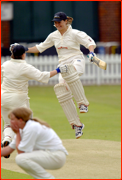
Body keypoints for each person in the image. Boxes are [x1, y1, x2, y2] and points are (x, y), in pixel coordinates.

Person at [10, 11, 96, 139]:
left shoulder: (75, 33)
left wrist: (91, 52)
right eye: (55, 22)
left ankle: (82, 103)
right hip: (63, 65)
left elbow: (90, 42)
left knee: (72, 73)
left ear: (66, 21)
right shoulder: (53, 36)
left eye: (59, 22)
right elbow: (40, 48)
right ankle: (77, 125)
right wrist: (23, 49)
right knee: (61, 91)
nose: (57, 24)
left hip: (76, 60)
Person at [1, 44, 68, 153]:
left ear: (12, 54)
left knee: (8, 123)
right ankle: (27, 147)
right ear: (24, 54)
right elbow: (42, 76)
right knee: (27, 123)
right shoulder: (25, 67)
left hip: (3, 98)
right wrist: (58, 70)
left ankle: (7, 139)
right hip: (18, 99)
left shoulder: (5, 64)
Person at [1, 107, 68, 179]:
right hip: (50, 155)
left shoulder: (31, 127)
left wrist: (17, 133)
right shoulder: (22, 129)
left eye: (12, 119)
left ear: (20, 120)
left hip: (56, 157)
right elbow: (8, 149)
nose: (10, 122)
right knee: (22, 158)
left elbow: (21, 152)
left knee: (21, 158)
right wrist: (18, 133)